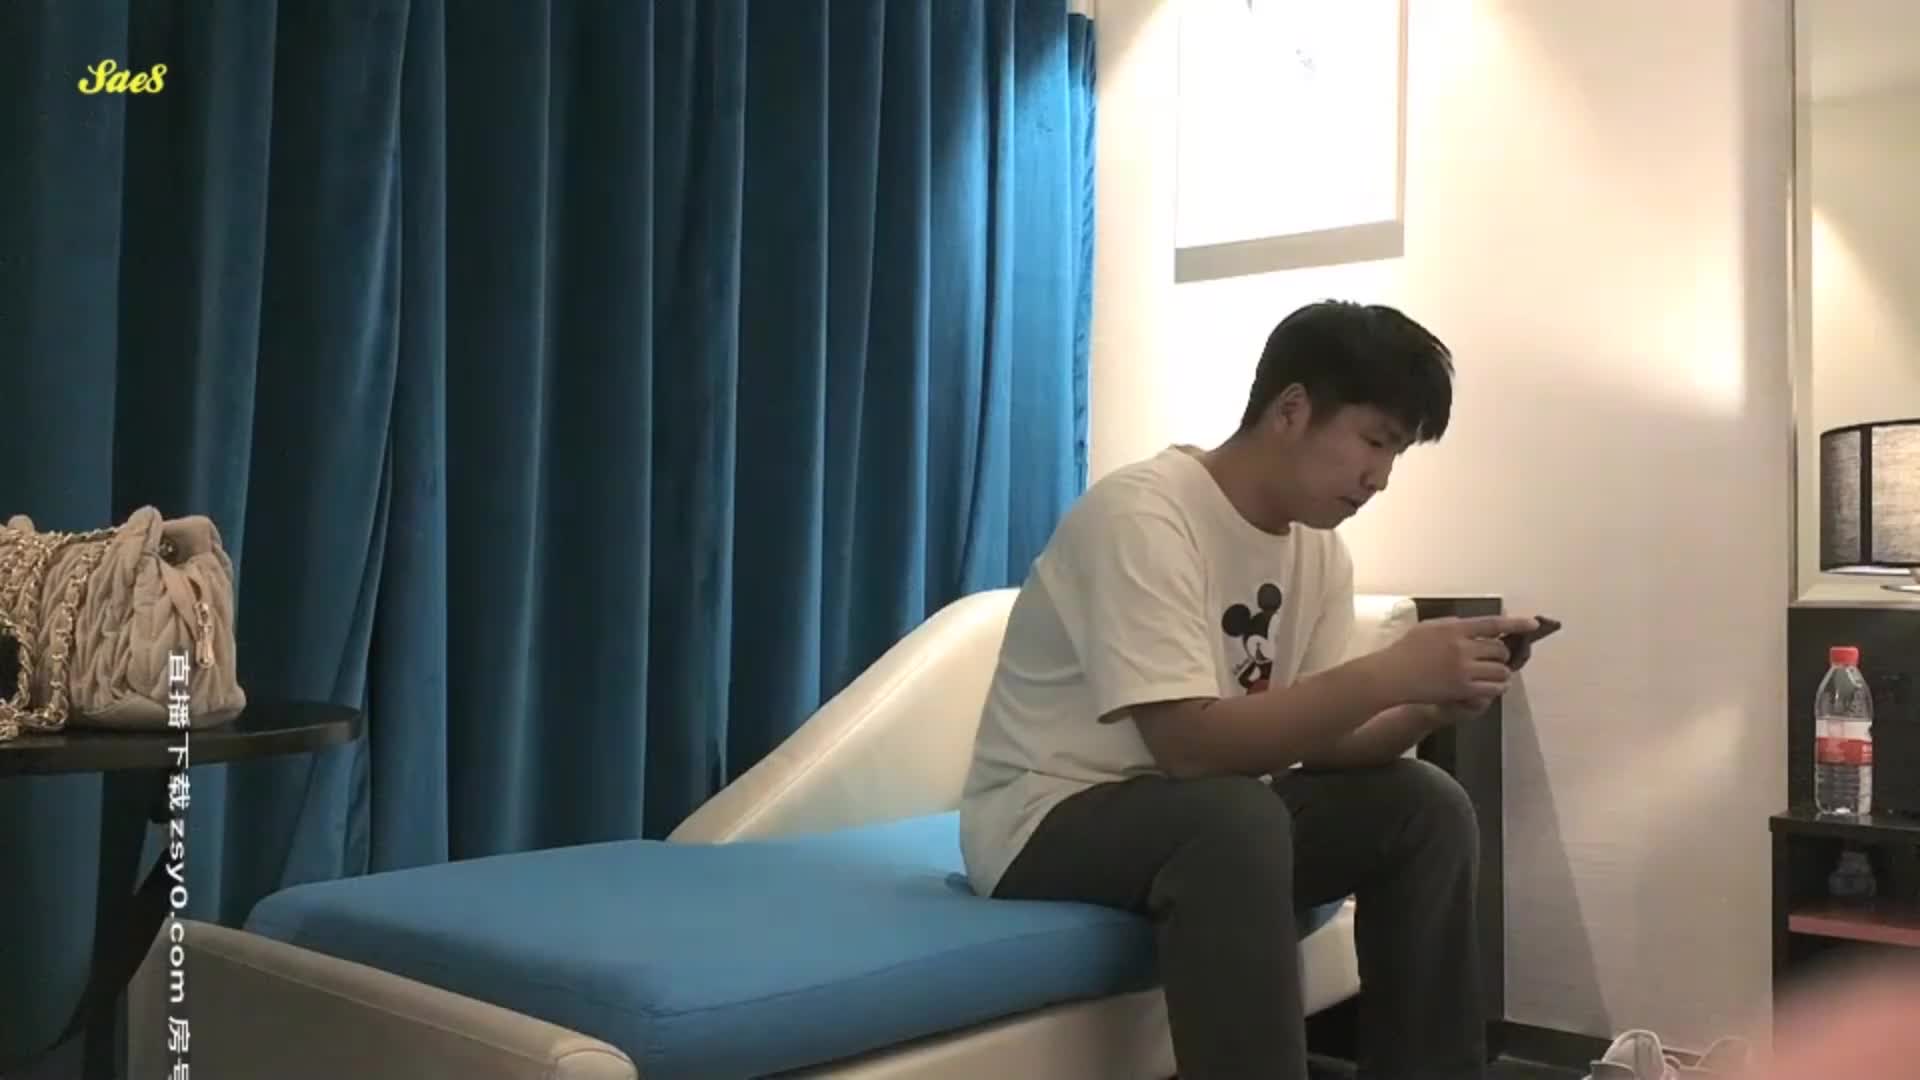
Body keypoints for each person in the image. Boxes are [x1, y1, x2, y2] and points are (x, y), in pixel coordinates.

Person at [958, 300, 1539, 1080]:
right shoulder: (1143, 515)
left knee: (1424, 805)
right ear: (1291, 410)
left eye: (1396, 454)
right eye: (1374, 441)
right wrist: (1388, 671)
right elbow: (1189, 748)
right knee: (1234, 814)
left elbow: (1322, 743)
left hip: (1199, 816)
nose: (1380, 478)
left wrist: (1425, 707)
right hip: (1045, 819)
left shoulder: (1319, 552)